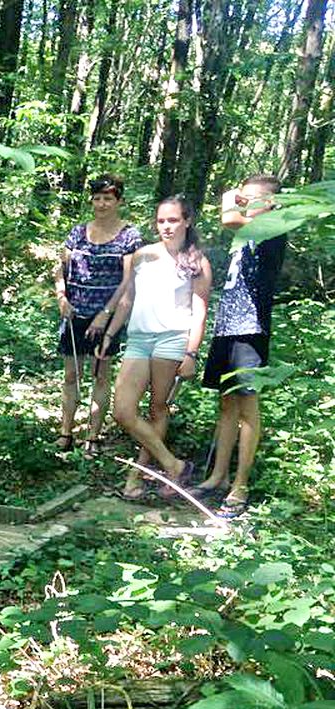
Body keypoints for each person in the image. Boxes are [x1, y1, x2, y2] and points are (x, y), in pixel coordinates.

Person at [100, 195, 211, 500]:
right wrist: (110, 334)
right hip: (138, 339)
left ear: (187, 221)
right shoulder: (142, 255)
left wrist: (191, 353)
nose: (166, 226)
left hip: (172, 340)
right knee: (122, 410)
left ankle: (136, 476)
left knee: (158, 408)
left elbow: (200, 311)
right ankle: (172, 464)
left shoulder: (197, 262)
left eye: (173, 220)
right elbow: (127, 299)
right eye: (161, 221)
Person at [192, 175, 287, 518]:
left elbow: (229, 216)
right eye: (244, 198)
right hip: (227, 326)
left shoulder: (272, 230)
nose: (245, 203)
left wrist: (232, 195)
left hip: (251, 329)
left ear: (274, 204)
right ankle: (219, 476)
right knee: (227, 405)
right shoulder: (246, 232)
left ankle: (240, 485)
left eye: (255, 199)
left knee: (248, 408)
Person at [52, 173, 143, 456]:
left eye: (108, 198)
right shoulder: (78, 232)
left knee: (100, 375)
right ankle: (66, 432)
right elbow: (60, 269)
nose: (102, 204)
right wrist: (61, 296)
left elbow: (129, 280)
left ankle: (93, 435)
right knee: (71, 374)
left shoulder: (130, 235)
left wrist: (106, 313)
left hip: (106, 317)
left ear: (119, 201)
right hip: (74, 314)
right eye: (98, 198)